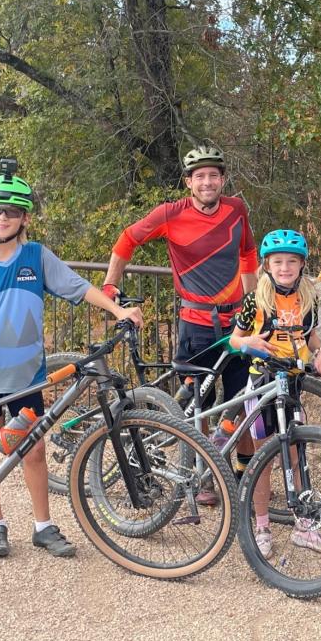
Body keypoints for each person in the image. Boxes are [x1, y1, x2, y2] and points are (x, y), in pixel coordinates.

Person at [0, 161, 143, 559]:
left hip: (28, 377)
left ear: (24, 218)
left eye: (12, 212)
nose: (3, 218)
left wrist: (117, 311)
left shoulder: (36, 257)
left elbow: (78, 287)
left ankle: (43, 525)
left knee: (33, 449)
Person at [102, 145, 258, 499]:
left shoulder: (237, 210)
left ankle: (244, 476)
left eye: (213, 176)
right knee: (200, 404)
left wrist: (253, 302)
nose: (207, 182)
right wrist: (111, 283)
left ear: (224, 180)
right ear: (189, 182)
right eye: (199, 176)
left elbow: (248, 252)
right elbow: (127, 239)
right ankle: (202, 477)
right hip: (195, 324)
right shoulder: (170, 214)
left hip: (236, 323)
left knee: (240, 403)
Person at [228, 229, 321, 559]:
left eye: (291, 261)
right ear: (267, 265)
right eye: (278, 262)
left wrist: (320, 353)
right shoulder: (255, 300)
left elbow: (312, 338)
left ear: (302, 265)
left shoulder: (307, 300)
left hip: (293, 384)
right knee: (264, 459)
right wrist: (249, 343)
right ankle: (262, 527)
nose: (284, 267)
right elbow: (234, 339)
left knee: (296, 457)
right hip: (262, 384)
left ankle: (305, 528)